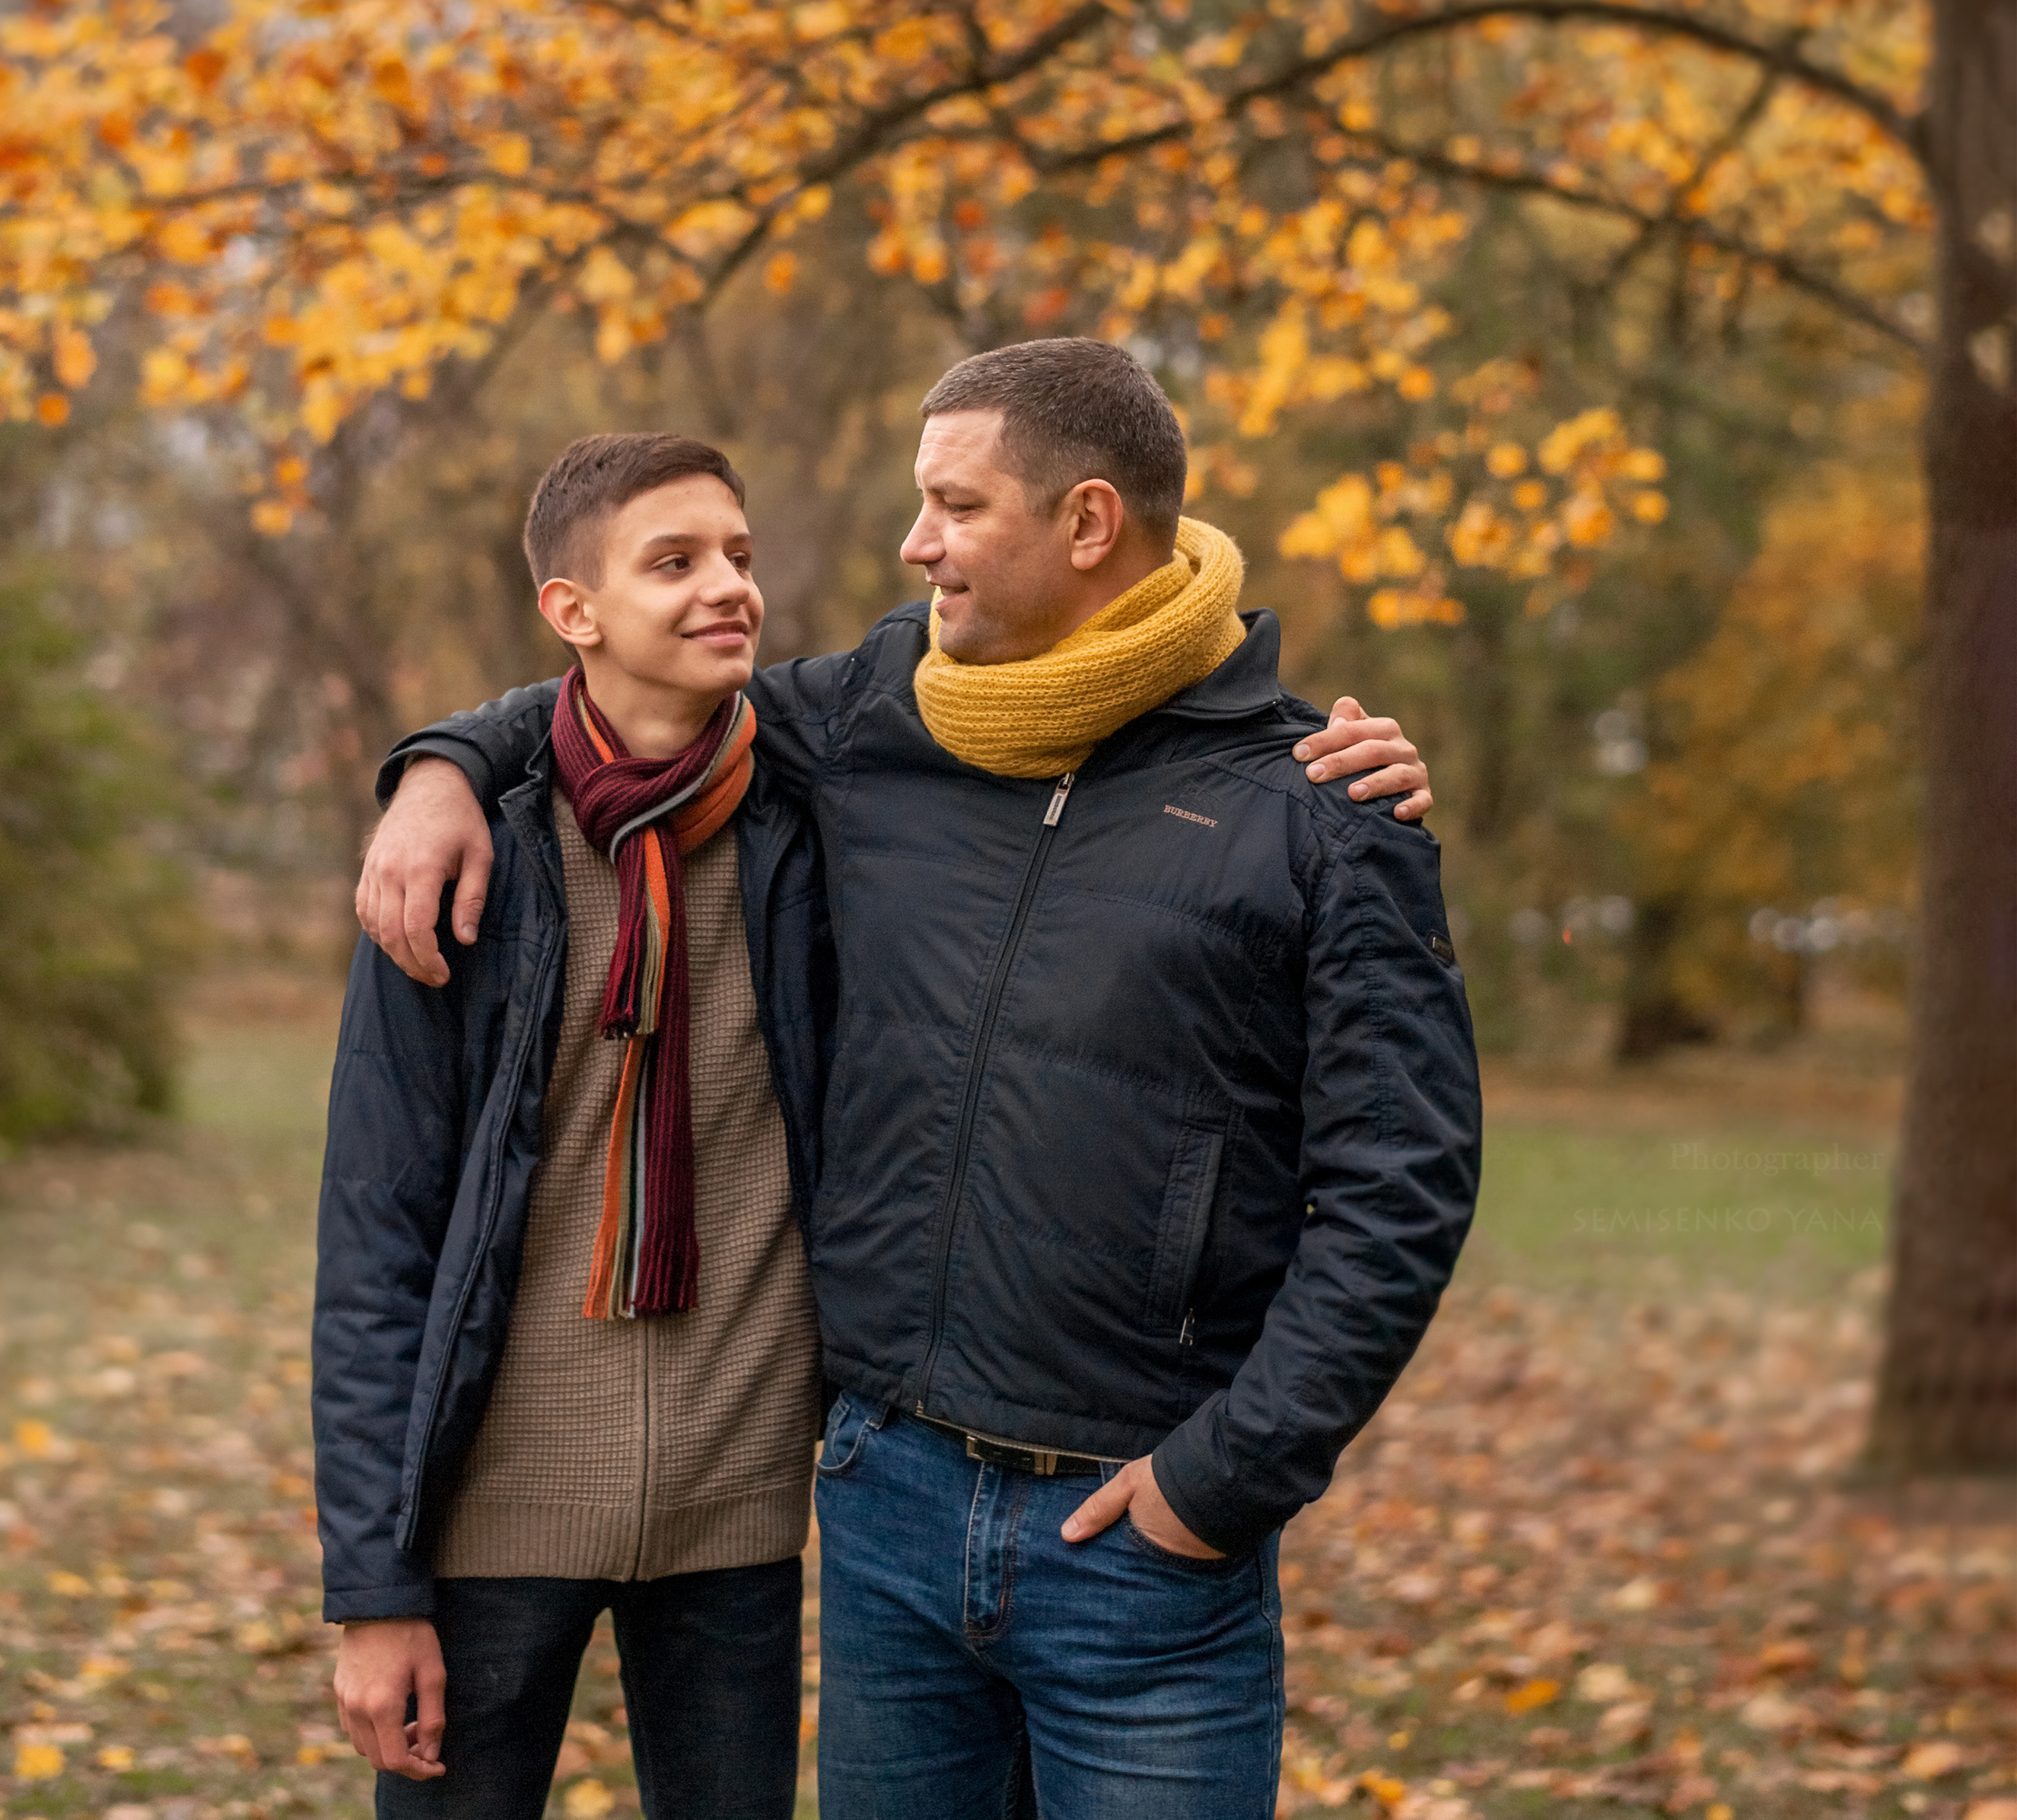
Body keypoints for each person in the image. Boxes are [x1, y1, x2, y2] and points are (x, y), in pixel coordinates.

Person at [353, 339, 1475, 1819]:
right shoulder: (883, 714)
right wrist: (437, 769)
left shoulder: (1322, 807)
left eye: (955, 505)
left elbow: (1402, 1189)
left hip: (1139, 1546)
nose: (914, 542)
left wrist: (1224, 1482)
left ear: (1087, 523)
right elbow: (634, 692)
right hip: (889, 1510)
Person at [313, 433, 836, 1819]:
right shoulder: (455, 867)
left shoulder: (819, 822)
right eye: (674, 562)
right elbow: (375, 1240)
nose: (727, 587)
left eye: (738, 555)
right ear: (573, 610)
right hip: (490, 1518)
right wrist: (374, 1592)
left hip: (737, 1504)